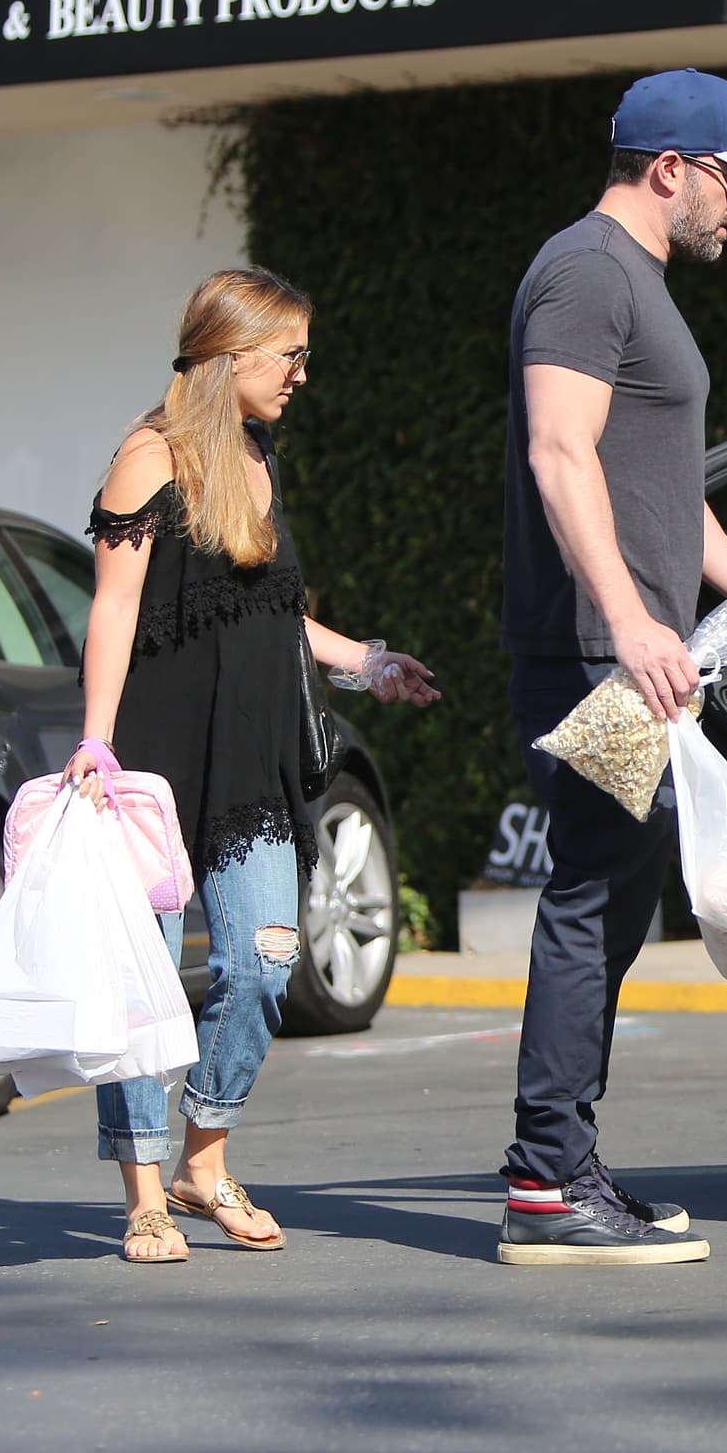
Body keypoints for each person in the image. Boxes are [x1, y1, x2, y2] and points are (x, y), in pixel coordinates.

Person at [498, 67, 727, 1268]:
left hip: (630, 654)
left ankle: (563, 1164)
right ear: (668, 169)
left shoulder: (632, 282)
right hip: (593, 655)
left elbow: (660, 492)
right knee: (593, 899)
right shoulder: (584, 273)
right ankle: (546, 1181)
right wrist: (626, 619)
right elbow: (559, 455)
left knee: (613, 901)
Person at [65, 266, 438, 1265]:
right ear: (229, 356)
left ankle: (204, 1156)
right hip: (150, 765)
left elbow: (270, 612)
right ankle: (145, 1194)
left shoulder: (258, 455)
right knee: (142, 987)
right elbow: (113, 608)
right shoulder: (149, 458)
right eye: (289, 356)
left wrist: (366, 662)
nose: (301, 375)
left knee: (267, 958)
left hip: (251, 760)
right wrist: (96, 743)